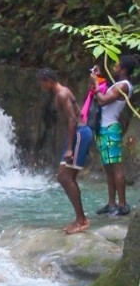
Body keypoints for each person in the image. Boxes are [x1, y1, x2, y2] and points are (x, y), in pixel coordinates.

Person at [38, 68, 93, 234]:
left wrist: (69, 147)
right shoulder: (61, 93)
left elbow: (72, 119)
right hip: (78, 135)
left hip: (78, 135)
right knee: (68, 178)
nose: (41, 87)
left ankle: (81, 220)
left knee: (64, 177)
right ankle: (80, 218)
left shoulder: (62, 94)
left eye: (41, 83)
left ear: (48, 80)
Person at [92, 55, 136, 217]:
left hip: (111, 128)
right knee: (109, 168)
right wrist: (98, 77)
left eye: (117, 66)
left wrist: (96, 82)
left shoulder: (124, 86)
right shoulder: (117, 84)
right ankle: (111, 204)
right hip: (103, 129)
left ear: (123, 69)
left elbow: (103, 100)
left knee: (116, 166)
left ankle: (122, 205)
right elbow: (102, 92)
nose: (114, 68)